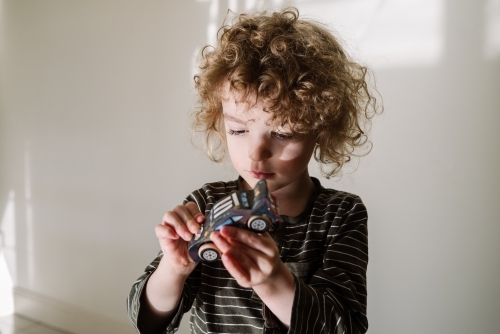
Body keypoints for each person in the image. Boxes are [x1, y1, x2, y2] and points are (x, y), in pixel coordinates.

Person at [127, 7, 380, 334]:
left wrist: (273, 281)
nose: (256, 152)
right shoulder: (205, 204)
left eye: (284, 134)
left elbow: (345, 326)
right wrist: (173, 269)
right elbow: (146, 322)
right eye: (238, 130)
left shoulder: (341, 215)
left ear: (322, 128)